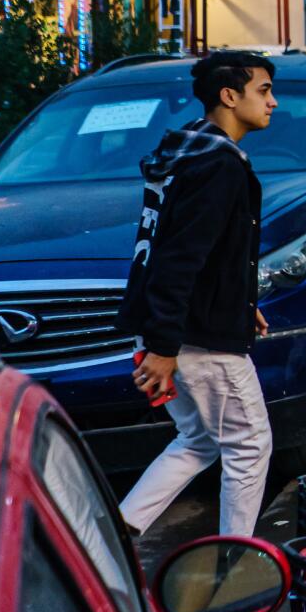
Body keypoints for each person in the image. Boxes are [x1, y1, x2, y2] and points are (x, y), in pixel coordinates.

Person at [116, 51, 277, 537]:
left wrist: (240, 304)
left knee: (200, 439)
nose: (273, 102)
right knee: (249, 445)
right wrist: (164, 347)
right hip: (196, 339)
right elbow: (179, 258)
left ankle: (120, 530)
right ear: (230, 96)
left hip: (178, 325)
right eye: (263, 91)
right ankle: (238, 562)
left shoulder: (185, 153)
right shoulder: (218, 166)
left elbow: (188, 249)